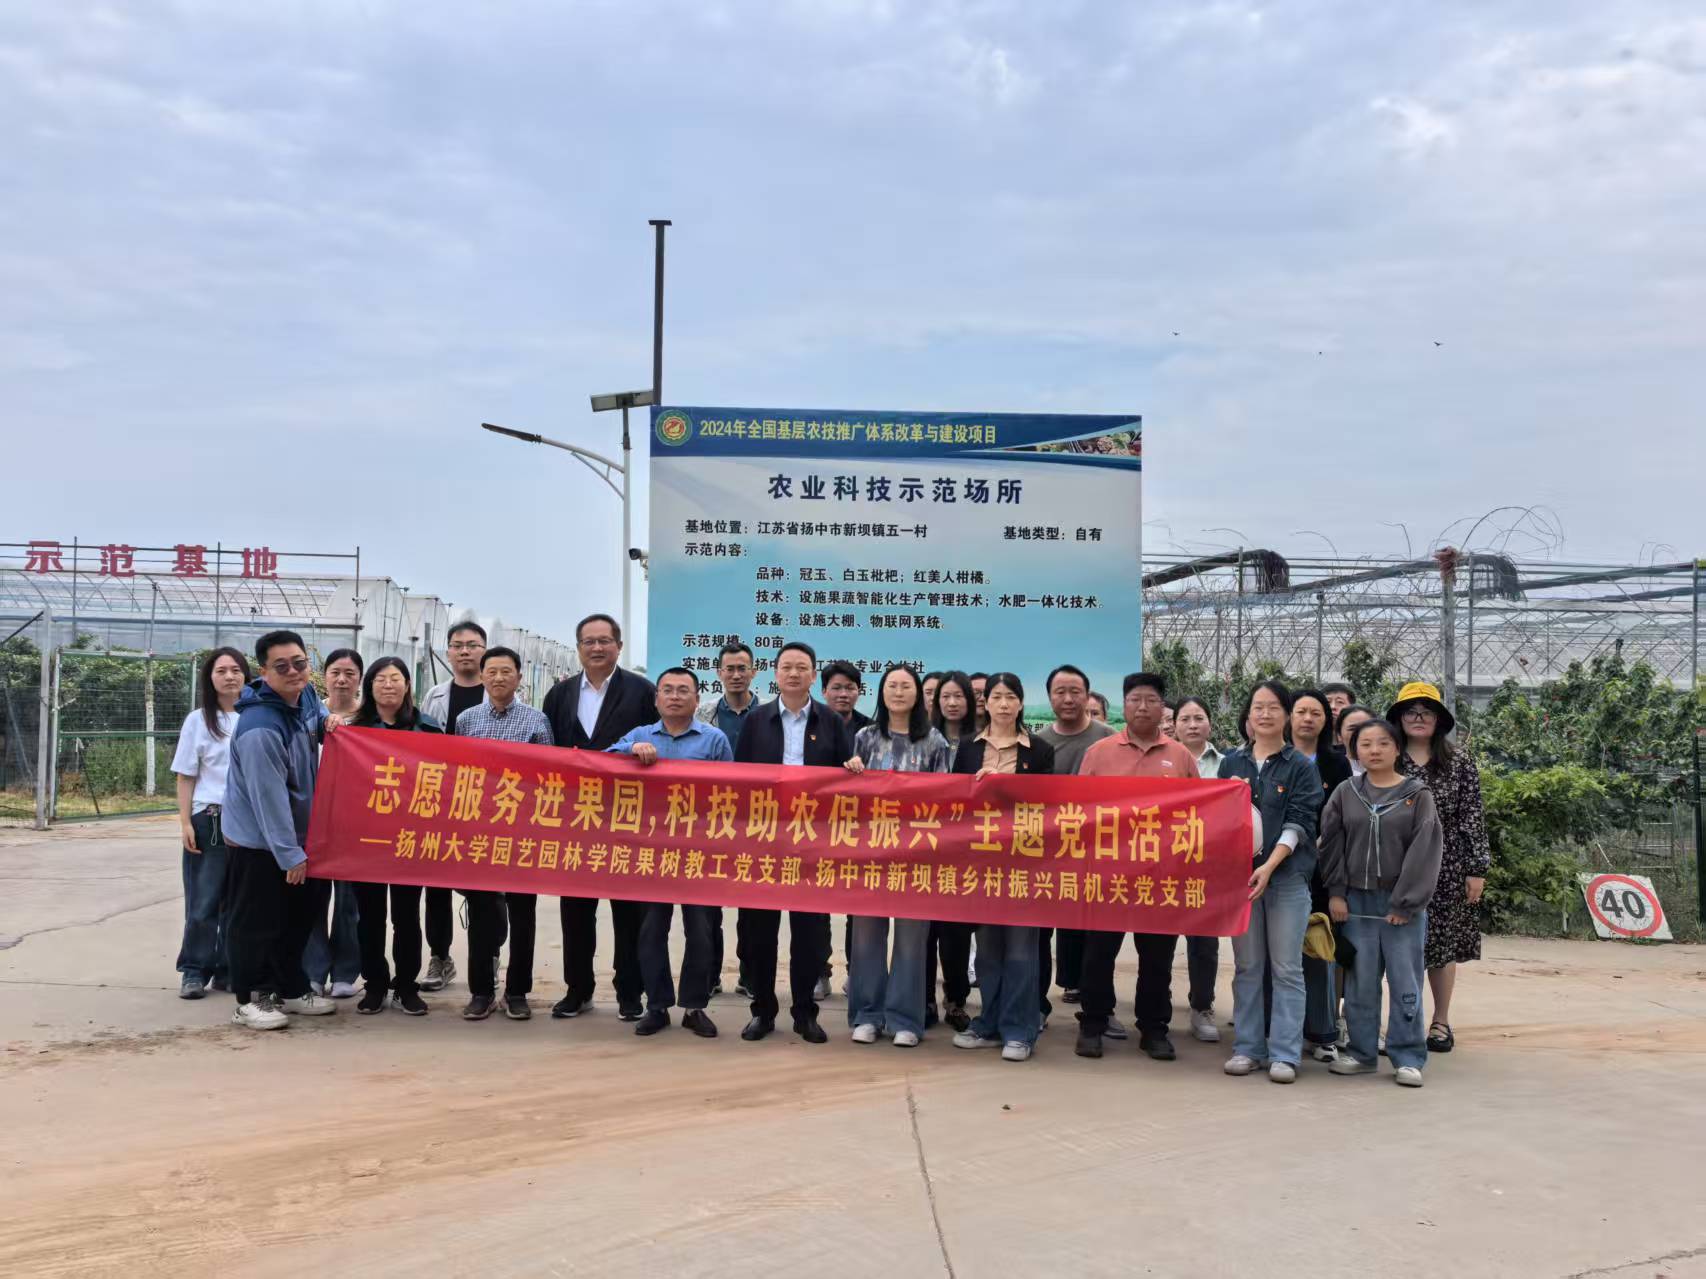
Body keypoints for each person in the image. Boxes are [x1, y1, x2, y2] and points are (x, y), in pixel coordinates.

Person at [1074, 673, 1202, 1063]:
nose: (1143, 707)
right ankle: (1093, 1023)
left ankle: (1154, 1028)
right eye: (1135, 699)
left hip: (1160, 877)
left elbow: (1197, 812)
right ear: (1124, 705)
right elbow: (1079, 811)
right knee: (1098, 954)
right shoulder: (1099, 753)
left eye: (1151, 700)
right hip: (1108, 874)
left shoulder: (1180, 756)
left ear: (1163, 708)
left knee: (1157, 957)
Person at [733, 640, 855, 1044]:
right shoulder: (757, 721)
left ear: (813, 675)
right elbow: (740, 782)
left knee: (810, 934)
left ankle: (805, 1013)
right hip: (765, 840)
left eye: (802, 667)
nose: (794, 673)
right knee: (759, 933)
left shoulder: (831, 722)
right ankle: (762, 1011)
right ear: (775, 673)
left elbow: (845, 782)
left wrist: (854, 768)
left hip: (812, 843)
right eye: (787, 666)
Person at [540, 613, 658, 1022]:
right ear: (578, 648)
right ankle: (577, 990)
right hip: (576, 818)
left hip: (626, 816)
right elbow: (547, 753)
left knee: (628, 912)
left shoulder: (642, 692)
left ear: (618, 647)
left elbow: (657, 739)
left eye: (604, 640)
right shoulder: (559, 695)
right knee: (575, 911)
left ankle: (630, 992)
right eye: (588, 641)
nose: (596, 648)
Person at [220, 630, 335, 1031]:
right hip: (259, 842)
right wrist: (289, 854)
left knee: (297, 918)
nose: (293, 672)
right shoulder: (260, 728)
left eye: (299, 663)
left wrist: (328, 721)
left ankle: (290, 987)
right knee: (257, 922)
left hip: (299, 837)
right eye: (281, 666)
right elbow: (268, 799)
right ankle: (250, 998)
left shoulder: (304, 696)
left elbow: (316, 721)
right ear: (264, 672)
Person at [610, 667, 733, 1039]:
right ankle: (657, 1005)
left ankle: (695, 1007)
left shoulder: (714, 740)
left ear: (697, 699)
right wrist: (628, 751)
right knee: (651, 931)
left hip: (699, 853)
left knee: (701, 932)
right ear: (656, 699)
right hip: (652, 853)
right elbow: (601, 763)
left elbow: (734, 793)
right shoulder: (640, 736)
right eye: (668, 690)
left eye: (683, 690)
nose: (675, 696)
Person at [1322, 717, 1443, 1087]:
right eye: (1365, 744)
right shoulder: (1346, 792)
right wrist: (1336, 892)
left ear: (1397, 749)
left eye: (1383, 743)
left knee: (1406, 981)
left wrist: (1405, 903)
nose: (1374, 750)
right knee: (1360, 981)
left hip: (1401, 905)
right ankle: (1362, 1053)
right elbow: (1331, 843)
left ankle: (1408, 1056)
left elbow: (1425, 850)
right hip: (1355, 903)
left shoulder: (1417, 795)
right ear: (1354, 751)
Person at [1217, 680, 1323, 1083]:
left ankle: (1284, 1054)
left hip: (1287, 880)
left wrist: (1270, 865)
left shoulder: (1300, 766)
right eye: (1258, 707)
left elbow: (1301, 821)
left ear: (1286, 715)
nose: (1264, 714)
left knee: (1287, 968)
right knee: (1247, 966)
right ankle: (1247, 1047)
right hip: (1241, 882)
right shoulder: (1232, 763)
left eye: (1273, 707)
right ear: (1248, 715)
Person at [845, 664, 953, 1047]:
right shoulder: (865, 737)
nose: (898, 692)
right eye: (892, 685)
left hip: (916, 856)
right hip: (870, 854)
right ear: (882, 692)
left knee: (911, 940)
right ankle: (867, 1014)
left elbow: (945, 800)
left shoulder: (934, 741)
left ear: (918, 693)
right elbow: (850, 798)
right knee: (866, 938)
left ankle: (905, 1019)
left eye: (906, 686)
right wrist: (851, 771)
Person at [951, 672, 1055, 1062]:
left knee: (1022, 950)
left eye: (1011, 696)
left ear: (1021, 703)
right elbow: (955, 802)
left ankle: (1020, 1030)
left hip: (1025, 864)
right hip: (981, 863)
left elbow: (1046, 805)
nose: (1004, 703)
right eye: (997, 696)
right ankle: (989, 1023)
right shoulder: (967, 747)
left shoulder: (1040, 751)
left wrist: (1003, 785)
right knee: (989, 950)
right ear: (986, 703)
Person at [1389, 681, 1489, 1055]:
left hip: (1447, 867)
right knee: (1397, 944)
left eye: (1426, 712)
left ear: (1439, 720)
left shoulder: (1459, 762)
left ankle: (1441, 1020)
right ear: (1399, 719)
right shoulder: (1389, 758)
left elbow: (1472, 815)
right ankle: (1401, 1021)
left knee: (1442, 944)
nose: (1418, 718)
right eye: (1411, 712)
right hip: (1395, 865)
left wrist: (1476, 868)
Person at [455, 646, 554, 1022]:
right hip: (480, 833)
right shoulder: (466, 720)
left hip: (523, 833)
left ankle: (517, 992)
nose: (499, 678)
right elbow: (457, 773)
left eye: (506, 671)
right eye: (492, 671)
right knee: (481, 914)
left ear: (519, 677)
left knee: (523, 915)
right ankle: (481, 991)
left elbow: (549, 776)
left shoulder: (536, 720)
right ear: (482, 676)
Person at [348, 657, 441, 1017]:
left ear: (407, 685)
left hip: (410, 839)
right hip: (367, 840)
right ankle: (374, 985)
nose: (388, 685)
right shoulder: (354, 730)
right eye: (381, 679)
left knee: (407, 917)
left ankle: (405, 986)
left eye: (395, 678)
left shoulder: (427, 728)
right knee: (369, 918)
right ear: (369, 686)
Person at [1033, 663, 1117, 1011]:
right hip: (1048, 856)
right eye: (1060, 692)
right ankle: (1036, 1007)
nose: (1068, 699)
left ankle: (1097, 1011)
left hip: (1098, 855)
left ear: (1087, 695)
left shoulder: (1109, 739)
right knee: (1040, 934)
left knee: (1097, 936)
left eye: (1075, 692)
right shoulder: (1037, 744)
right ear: (1050, 697)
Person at [170, 646, 250, 999]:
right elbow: (186, 775)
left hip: (248, 821)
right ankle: (194, 970)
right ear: (210, 678)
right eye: (221, 671)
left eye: (236, 669)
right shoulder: (199, 720)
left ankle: (227, 970)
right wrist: (186, 822)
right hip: (210, 818)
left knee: (238, 901)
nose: (230, 676)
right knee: (204, 901)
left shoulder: (255, 717)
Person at [419, 618, 493, 992]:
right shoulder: (434, 696)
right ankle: (440, 957)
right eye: (458, 645)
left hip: (486, 805)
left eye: (473, 645)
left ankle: (489, 955)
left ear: (485, 650)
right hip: (440, 801)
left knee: (489, 887)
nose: (465, 651)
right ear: (448, 652)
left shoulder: (499, 692)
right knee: (436, 886)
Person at [1289, 686, 1353, 1062]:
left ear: (1326, 721)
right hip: (1278, 866)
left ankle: (1322, 1030)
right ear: (1289, 717)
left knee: (1319, 946)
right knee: (1283, 952)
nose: (1308, 719)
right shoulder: (1276, 758)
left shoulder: (1336, 763)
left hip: (1322, 868)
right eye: (1301, 711)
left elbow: (1340, 819)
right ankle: (1283, 1028)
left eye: (1316, 713)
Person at [696, 641, 759, 997]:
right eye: (729, 669)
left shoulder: (768, 713)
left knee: (753, 906)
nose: (736, 675)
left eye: (742, 668)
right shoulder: (702, 714)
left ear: (754, 672)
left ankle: (749, 976)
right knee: (708, 906)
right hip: (711, 821)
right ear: (719, 672)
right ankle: (710, 975)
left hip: (756, 822)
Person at [304, 648, 365, 1000]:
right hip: (313, 819)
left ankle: (345, 971)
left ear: (360, 679)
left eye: (349, 673)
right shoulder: (310, 715)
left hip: (354, 823)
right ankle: (313, 970)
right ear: (324, 677)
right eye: (335, 672)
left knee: (348, 902)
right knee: (312, 899)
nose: (342, 680)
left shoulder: (369, 718)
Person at [924, 670, 980, 1032]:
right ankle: (925, 1000)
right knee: (925, 932)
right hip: (926, 848)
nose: (952, 702)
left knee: (957, 934)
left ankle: (956, 1000)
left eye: (959, 696)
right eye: (945, 696)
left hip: (966, 852)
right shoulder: (925, 740)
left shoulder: (981, 743)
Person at [1173, 694, 1225, 1044]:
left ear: (1210, 723)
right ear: (1174, 725)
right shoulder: (1161, 760)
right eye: (1185, 719)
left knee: (1204, 942)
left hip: (1208, 867)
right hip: (1162, 865)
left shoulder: (1228, 764)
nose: (1192, 725)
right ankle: (1156, 1004)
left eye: (1199, 718)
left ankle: (1202, 1006)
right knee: (1156, 941)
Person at [821, 660, 873, 732]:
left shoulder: (871, 729)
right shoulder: (809, 723)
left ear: (859, 692)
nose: (843, 694)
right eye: (836, 688)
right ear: (824, 692)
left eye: (850, 688)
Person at [1335, 704, 1375, 773]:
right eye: (1352, 729)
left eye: (1366, 727)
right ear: (1339, 735)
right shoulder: (1332, 770)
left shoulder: (1390, 766)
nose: (1360, 733)